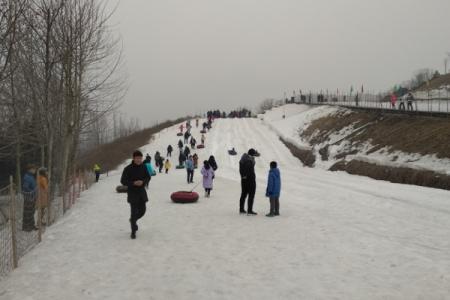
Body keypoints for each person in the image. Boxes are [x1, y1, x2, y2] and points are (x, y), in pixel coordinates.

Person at [120, 151, 150, 239]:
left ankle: (133, 220)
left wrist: (143, 182)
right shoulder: (128, 168)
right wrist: (133, 183)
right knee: (133, 213)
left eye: (140, 158)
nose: (139, 160)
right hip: (132, 193)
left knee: (142, 211)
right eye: (137, 158)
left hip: (142, 192)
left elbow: (148, 177)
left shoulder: (144, 167)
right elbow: (123, 181)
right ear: (133, 158)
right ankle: (133, 231)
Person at [239, 149, 257, 215]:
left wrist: (243, 176)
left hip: (243, 180)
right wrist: (248, 176)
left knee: (243, 194)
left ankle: (241, 209)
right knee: (251, 195)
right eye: (254, 154)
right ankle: (249, 210)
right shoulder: (249, 161)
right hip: (250, 180)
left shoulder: (243, 159)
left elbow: (242, 170)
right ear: (252, 154)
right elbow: (249, 170)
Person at [22, 164, 38, 231]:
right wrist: (32, 191)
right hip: (29, 197)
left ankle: (31, 225)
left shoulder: (31, 176)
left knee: (32, 212)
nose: (35, 170)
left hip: (32, 197)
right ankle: (26, 227)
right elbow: (25, 187)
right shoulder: (27, 177)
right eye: (34, 169)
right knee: (28, 212)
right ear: (30, 169)